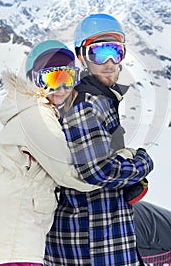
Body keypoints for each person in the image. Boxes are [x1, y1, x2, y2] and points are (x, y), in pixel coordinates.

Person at [0, 40, 99, 266]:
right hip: (15, 231)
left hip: (4, 228)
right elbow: (69, 171)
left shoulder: (30, 109)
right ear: (34, 79)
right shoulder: (37, 116)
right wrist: (113, 175)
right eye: (52, 78)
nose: (61, 88)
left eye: (67, 78)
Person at [45, 14, 154, 266]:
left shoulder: (100, 99)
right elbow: (96, 170)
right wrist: (142, 164)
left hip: (102, 233)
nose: (109, 62)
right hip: (92, 242)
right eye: (98, 52)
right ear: (81, 56)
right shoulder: (85, 104)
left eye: (115, 51)